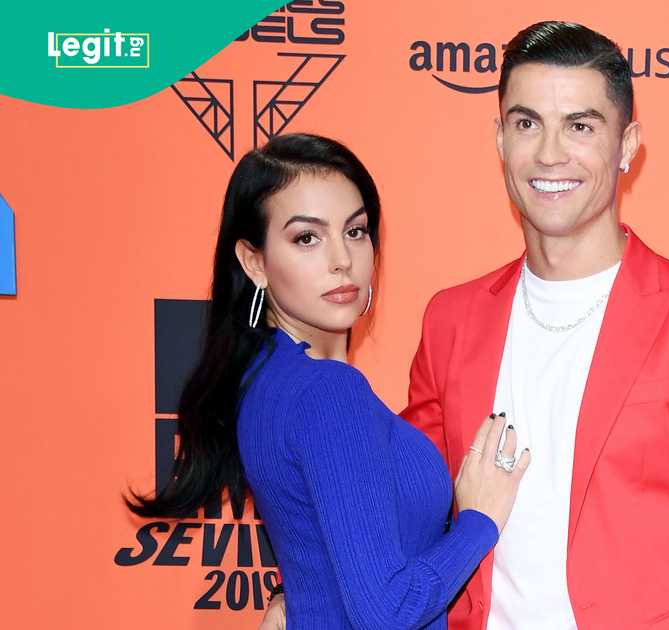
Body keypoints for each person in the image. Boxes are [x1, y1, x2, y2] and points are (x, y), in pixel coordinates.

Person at [268, 20, 669, 629]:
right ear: (499, 139)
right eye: (526, 123)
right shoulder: (452, 319)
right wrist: (302, 593)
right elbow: (399, 508)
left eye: (580, 126)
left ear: (627, 145)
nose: (549, 153)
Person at [127, 133, 529, 629]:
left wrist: (287, 590)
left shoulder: (264, 379)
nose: (342, 258)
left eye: (356, 231)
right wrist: (479, 521)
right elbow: (388, 611)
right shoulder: (327, 393)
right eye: (307, 238)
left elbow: (323, 551)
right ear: (254, 261)